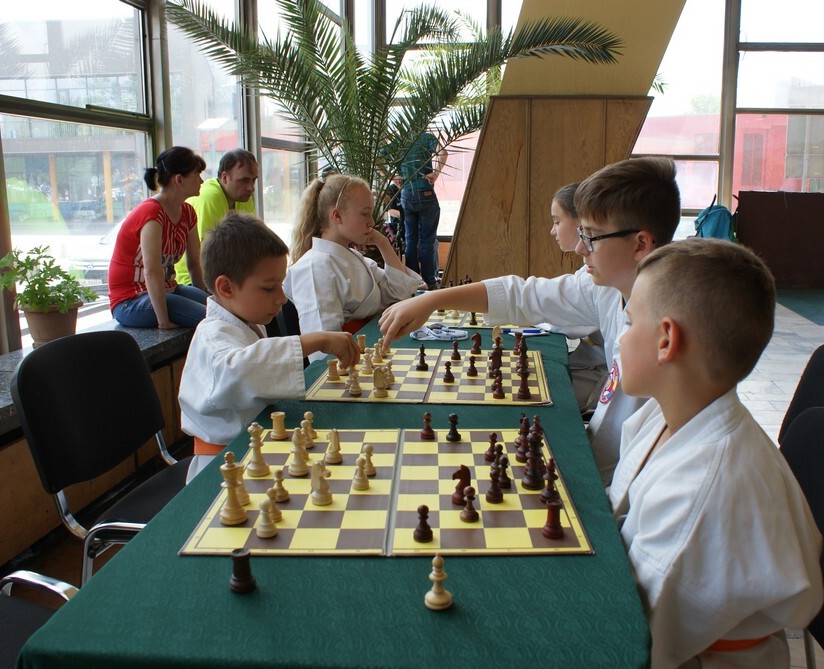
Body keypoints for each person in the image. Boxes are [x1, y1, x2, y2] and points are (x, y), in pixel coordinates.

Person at [380, 157, 681, 485]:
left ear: (640, 244)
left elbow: (625, 452)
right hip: (608, 468)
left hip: (625, 484)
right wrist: (432, 299)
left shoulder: (667, 331)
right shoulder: (606, 287)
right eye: (582, 233)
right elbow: (524, 294)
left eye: (593, 236)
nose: (581, 249)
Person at [609, 238, 823, 668]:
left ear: (666, 340)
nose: (620, 337)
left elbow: (631, 638)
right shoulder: (665, 414)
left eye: (629, 323)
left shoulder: (702, 489)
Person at [179, 211, 359, 467]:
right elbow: (241, 369)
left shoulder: (245, 322)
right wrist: (316, 340)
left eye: (281, 285)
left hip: (254, 448)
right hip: (223, 464)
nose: (282, 298)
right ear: (226, 288)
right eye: (268, 288)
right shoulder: (212, 339)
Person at [284, 173, 425, 361]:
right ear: (337, 215)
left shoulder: (354, 257)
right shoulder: (314, 267)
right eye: (365, 213)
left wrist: (383, 243)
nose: (371, 222)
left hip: (366, 352)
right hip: (346, 364)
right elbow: (323, 350)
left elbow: (399, 294)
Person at [108, 146, 210, 329]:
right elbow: (152, 271)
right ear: (179, 179)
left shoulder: (187, 212)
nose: (202, 181)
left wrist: (204, 298)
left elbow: (194, 264)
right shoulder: (152, 213)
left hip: (168, 289)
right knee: (213, 320)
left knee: (222, 309)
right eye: (197, 175)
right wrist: (163, 321)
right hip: (130, 301)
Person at [548, 182, 608, 418]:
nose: (552, 231)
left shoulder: (601, 279)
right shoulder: (590, 272)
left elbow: (556, 308)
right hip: (590, 366)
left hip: (600, 379)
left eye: (557, 221)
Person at [174, 148, 259, 286]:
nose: (251, 187)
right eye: (244, 180)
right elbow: (210, 255)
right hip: (194, 279)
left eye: (253, 180)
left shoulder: (243, 196)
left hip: (225, 274)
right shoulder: (210, 197)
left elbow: (252, 241)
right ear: (224, 177)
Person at [398, 131, 447, 290]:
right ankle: (430, 283)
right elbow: (443, 153)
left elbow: (380, 157)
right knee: (427, 241)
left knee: (410, 240)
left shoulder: (400, 140)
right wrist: (435, 174)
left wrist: (394, 178)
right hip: (426, 194)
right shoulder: (426, 138)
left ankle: (414, 283)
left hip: (406, 195)